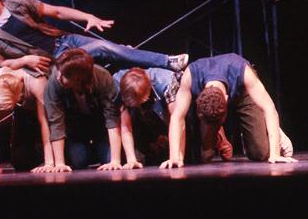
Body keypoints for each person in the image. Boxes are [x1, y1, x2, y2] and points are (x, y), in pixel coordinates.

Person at [0, 0, 188, 77]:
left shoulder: (17, 4)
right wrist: (24, 60)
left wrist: (88, 16)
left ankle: (164, 72)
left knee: (116, 52)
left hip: (66, 40)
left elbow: (55, 11)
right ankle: (168, 62)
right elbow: (2, 63)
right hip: (55, 60)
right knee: (106, 49)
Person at [160, 53, 296, 169]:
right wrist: (175, 157)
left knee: (260, 153)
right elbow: (177, 116)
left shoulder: (242, 72)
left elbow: (269, 108)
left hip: (243, 92)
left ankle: (268, 129)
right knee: (203, 157)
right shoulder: (190, 76)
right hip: (211, 104)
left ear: (226, 99)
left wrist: (275, 154)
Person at [114, 67, 231, 166]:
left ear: (148, 91)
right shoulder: (121, 85)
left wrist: (176, 157)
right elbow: (126, 127)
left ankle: (218, 136)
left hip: (180, 117)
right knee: (140, 160)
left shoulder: (167, 83)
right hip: (149, 123)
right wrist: (131, 160)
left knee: (196, 158)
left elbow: (178, 120)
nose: (136, 105)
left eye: (139, 102)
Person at [43, 49, 137, 172]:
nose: (58, 76)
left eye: (64, 75)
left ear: (78, 78)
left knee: (109, 159)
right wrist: (59, 163)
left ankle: (99, 149)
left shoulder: (102, 78)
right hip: (75, 130)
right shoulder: (54, 82)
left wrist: (115, 160)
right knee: (79, 160)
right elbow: (56, 123)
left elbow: (112, 118)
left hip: (100, 128)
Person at [0, 67, 54, 173]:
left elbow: (45, 121)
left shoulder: (36, 81)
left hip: (50, 111)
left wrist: (49, 163)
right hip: (24, 112)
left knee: (74, 159)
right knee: (21, 162)